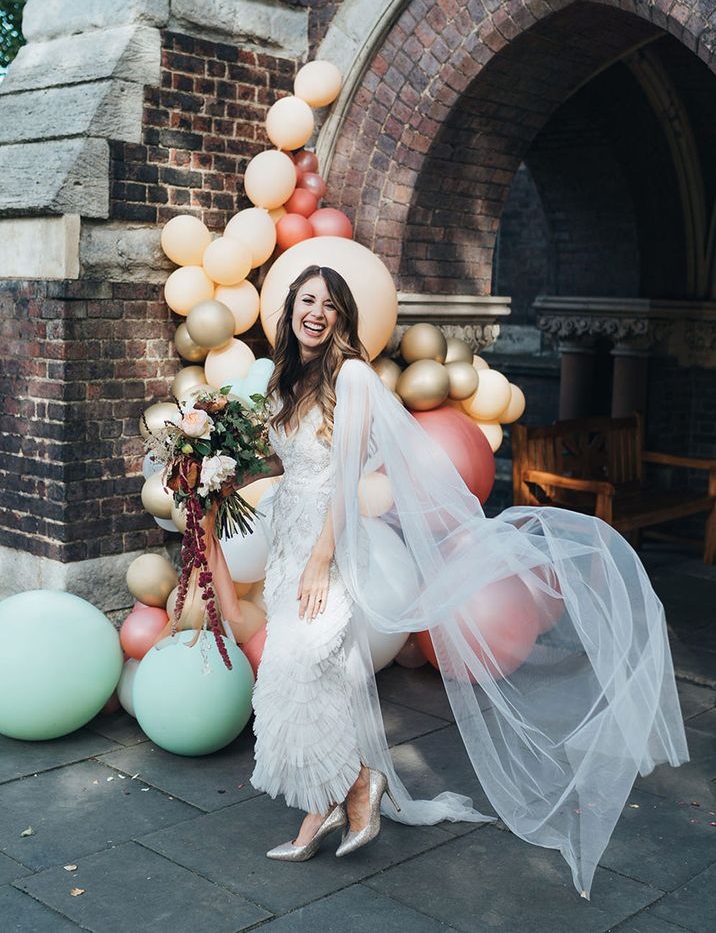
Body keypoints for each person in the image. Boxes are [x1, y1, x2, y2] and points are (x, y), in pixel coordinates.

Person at [238, 263, 688, 899]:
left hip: (329, 544)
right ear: (289, 310)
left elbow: (341, 482)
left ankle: (330, 802)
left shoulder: (354, 378)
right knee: (306, 672)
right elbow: (285, 460)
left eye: (329, 305)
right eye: (306, 301)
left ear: (342, 317)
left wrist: (320, 560)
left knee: (306, 664)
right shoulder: (289, 379)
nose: (316, 313)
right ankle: (357, 781)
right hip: (286, 536)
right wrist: (210, 458)